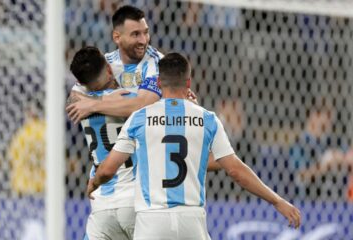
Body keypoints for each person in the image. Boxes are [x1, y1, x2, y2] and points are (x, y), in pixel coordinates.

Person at [88, 53, 301, 239]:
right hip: (191, 219)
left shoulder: (139, 118)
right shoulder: (207, 119)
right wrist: (276, 201)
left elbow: (107, 170)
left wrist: (95, 182)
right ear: (188, 83)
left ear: (159, 82)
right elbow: (235, 170)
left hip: (151, 220)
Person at [66, 5, 197, 121]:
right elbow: (73, 100)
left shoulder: (158, 63)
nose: (143, 40)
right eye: (135, 34)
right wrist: (109, 99)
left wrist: (92, 105)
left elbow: (142, 105)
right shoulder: (106, 62)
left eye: (146, 32)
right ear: (117, 37)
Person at [70, 46, 137, 239]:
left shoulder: (79, 106)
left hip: (101, 203)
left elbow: (73, 99)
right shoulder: (129, 101)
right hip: (134, 199)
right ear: (109, 69)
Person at [8, 99, 45, 195]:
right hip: (44, 188)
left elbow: (11, 158)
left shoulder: (22, 133)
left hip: (23, 188)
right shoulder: (48, 131)